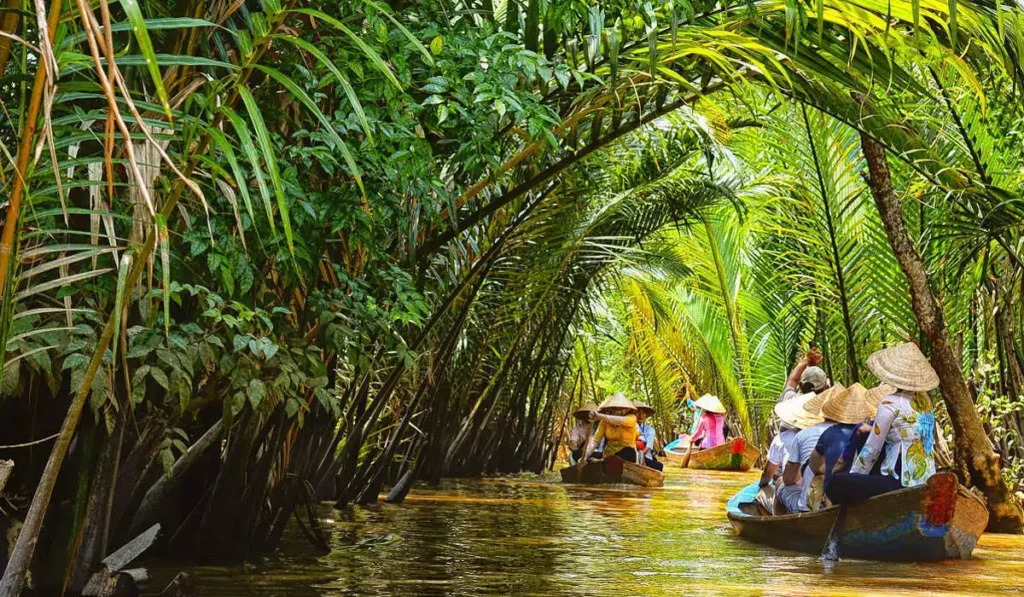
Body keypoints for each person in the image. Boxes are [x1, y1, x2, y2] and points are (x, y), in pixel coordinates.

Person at [828, 343, 939, 505]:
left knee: (836, 483)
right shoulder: (926, 404)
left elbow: (872, 448)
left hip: (900, 482)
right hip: (926, 480)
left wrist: (855, 477)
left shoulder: (890, 402)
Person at [775, 384, 845, 514]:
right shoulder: (857, 432)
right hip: (843, 503)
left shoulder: (803, 434)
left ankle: (777, 525)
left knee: (780, 484)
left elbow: (788, 480)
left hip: (809, 507)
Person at [806, 384, 876, 508]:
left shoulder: (830, 433)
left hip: (836, 498)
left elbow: (814, 466)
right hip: (867, 495)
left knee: (816, 482)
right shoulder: (876, 432)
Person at [755, 392, 821, 513]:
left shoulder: (785, 438)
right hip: (824, 498)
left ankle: (778, 520)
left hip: (804, 502)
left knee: (778, 484)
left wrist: (761, 486)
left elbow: (771, 475)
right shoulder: (830, 433)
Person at [585, 393, 640, 464]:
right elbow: (596, 440)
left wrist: (600, 416)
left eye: (621, 408)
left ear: (628, 409)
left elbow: (620, 420)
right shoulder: (604, 421)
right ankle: (604, 461)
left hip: (626, 456)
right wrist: (585, 455)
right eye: (615, 408)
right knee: (577, 454)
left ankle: (603, 461)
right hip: (607, 455)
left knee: (629, 451)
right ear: (610, 409)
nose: (618, 411)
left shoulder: (632, 418)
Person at [633, 401, 664, 471]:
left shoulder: (650, 430)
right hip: (632, 454)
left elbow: (647, 449)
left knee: (660, 466)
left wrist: (638, 456)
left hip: (644, 457)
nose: (640, 415)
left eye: (643, 413)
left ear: (646, 415)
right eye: (638, 412)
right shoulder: (628, 427)